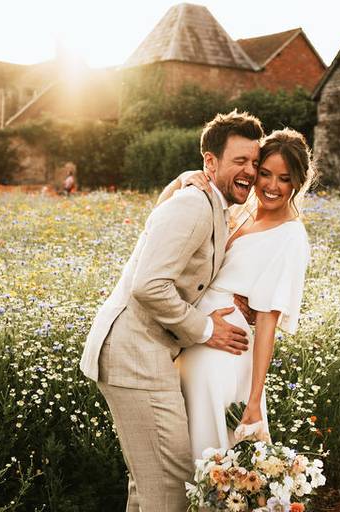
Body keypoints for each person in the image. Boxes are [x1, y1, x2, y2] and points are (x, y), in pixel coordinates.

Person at [79, 111, 264, 512]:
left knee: (150, 484)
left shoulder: (212, 202)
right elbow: (149, 285)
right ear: (210, 162)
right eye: (239, 161)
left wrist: (181, 177)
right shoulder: (195, 205)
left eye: (254, 161)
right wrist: (203, 330)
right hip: (135, 355)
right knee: (172, 487)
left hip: (147, 354)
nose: (250, 170)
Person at [161, 128, 314, 463]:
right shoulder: (242, 213)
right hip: (198, 335)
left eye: (284, 178)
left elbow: (267, 320)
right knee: (181, 451)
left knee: (207, 453)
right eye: (266, 174)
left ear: (297, 182)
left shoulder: (290, 236)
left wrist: (255, 398)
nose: (272, 186)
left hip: (224, 349)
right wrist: (188, 178)